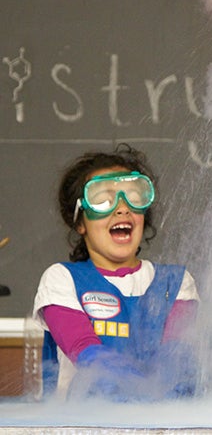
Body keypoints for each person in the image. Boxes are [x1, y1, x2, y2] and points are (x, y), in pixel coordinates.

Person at [32, 143, 200, 401]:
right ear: (80, 221)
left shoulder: (176, 284)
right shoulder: (61, 280)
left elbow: (175, 361)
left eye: (133, 196)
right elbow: (87, 355)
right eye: (102, 199)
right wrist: (139, 394)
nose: (122, 208)